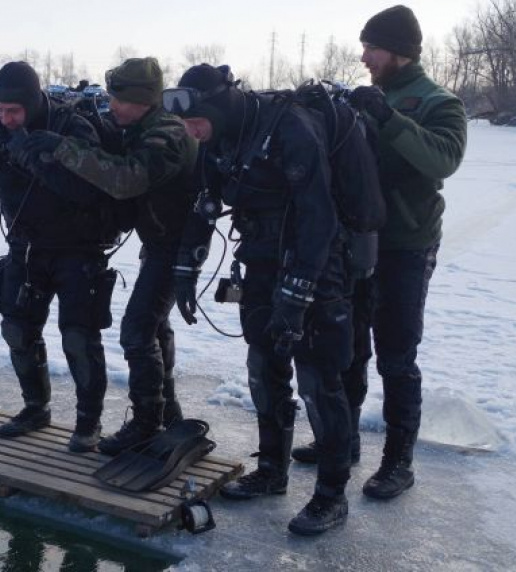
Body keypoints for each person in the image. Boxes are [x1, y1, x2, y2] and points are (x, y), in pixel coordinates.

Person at [167, 63, 377, 535]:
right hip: (261, 262)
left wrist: (298, 293)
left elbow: (319, 215)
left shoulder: (290, 127)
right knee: (264, 368)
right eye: (185, 124)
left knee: (319, 382)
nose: (190, 132)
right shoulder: (219, 139)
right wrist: (185, 269)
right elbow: (203, 203)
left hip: (318, 264)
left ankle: (331, 497)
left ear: (216, 108)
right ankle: (271, 471)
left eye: (194, 121)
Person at [290, 5, 468, 500]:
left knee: (396, 354)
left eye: (371, 48)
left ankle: (398, 461)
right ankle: (342, 442)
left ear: (398, 51)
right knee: (348, 347)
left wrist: (387, 117)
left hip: (405, 246)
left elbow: (442, 159)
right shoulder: (364, 96)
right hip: (355, 243)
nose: (364, 57)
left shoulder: (439, 102)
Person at [9, 57, 199, 455]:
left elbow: (125, 179)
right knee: (154, 328)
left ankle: (147, 424)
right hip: (160, 243)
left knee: (137, 331)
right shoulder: (141, 126)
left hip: (175, 247)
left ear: (143, 100)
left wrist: (63, 147)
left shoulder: (167, 133)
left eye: (119, 99)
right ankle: (168, 415)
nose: (112, 106)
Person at [0, 61, 124, 453]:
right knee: (17, 329)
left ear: (31, 102)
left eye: (13, 111)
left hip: (78, 249)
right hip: (25, 247)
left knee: (78, 338)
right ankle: (35, 408)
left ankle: (88, 422)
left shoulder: (72, 127)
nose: (5, 118)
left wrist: (35, 156)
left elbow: (90, 191)